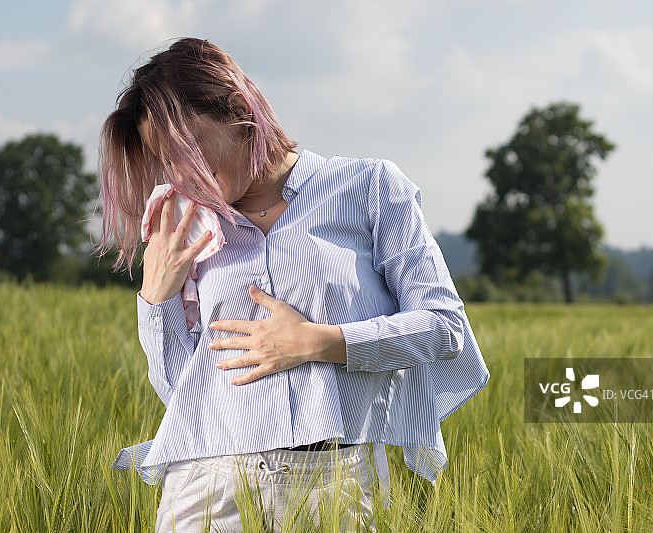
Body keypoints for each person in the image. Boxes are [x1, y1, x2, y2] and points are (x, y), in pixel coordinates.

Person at [98, 37, 489, 532]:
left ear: (238, 110)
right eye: (166, 159)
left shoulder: (367, 188)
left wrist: (318, 342)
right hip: (207, 487)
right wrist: (155, 302)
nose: (181, 172)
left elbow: (443, 328)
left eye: (188, 147)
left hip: (331, 483)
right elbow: (183, 391)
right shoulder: (186, 226)